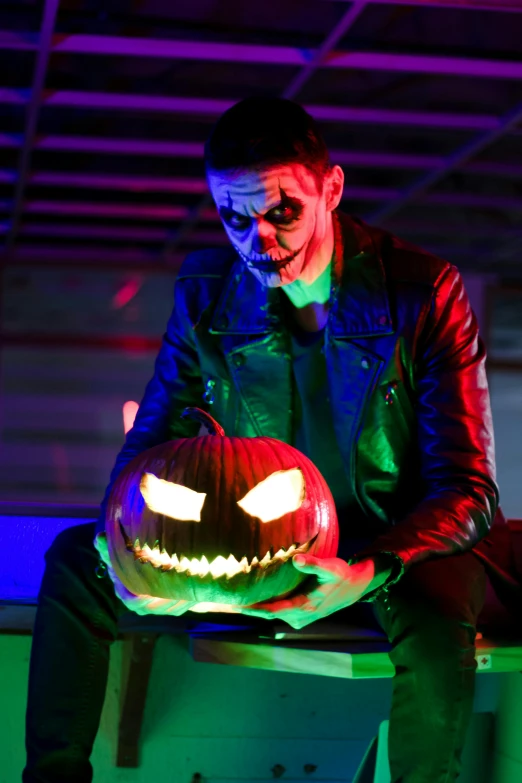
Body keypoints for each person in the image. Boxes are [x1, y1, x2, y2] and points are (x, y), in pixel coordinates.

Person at [23, 96, 520, 783]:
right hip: (255, 539)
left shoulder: (423, 292)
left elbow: (468, 492)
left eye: (282, 210)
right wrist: (128, 552)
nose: (258, 238)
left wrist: (366, 572)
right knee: (80, 559)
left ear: (332, 190)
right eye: (234, 216)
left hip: (384, 544)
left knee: (436, 614)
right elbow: (148, 444)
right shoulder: (206, 292)